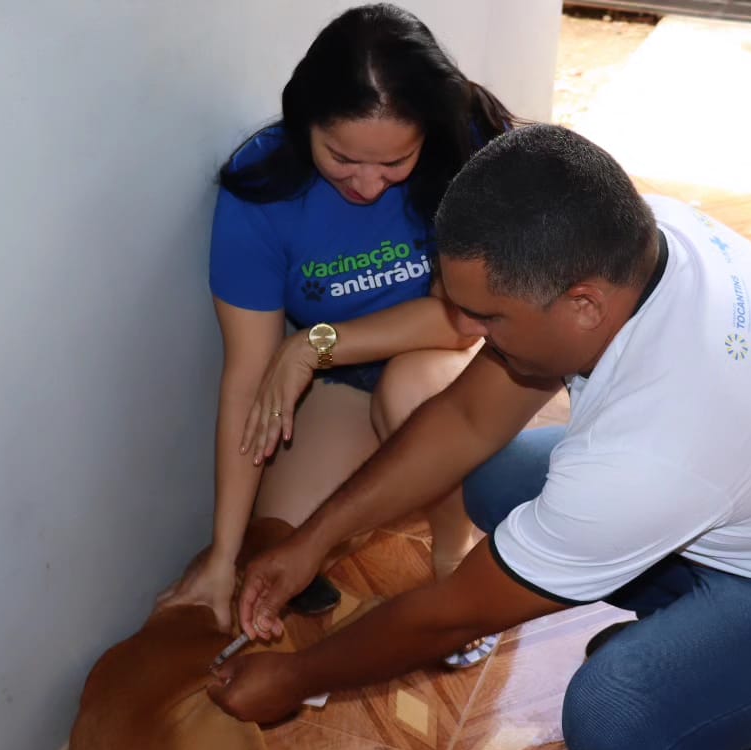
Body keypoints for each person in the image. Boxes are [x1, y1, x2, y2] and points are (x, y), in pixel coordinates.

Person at [207, 124, 751, 750]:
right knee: (499, 475)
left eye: (488, 317)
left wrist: (298, 678)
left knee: (618, 723)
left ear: (583, 306)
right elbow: (467, 419)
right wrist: (312, 540)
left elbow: (459, 610)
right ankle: (702, 651)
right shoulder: (631, 239)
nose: (465, 330)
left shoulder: (660, 443)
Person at [156, 4, 514, 667]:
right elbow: (246, 381)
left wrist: (313, 343)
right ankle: (376, 496)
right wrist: (221, 555)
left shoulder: (464, 152)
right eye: (342, 158)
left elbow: (464, 319)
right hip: (342, 383)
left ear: (426, 136)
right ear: (304, 124)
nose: (368, 184)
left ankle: (453, 559)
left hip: (448, 365)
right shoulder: (260, 190)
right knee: (275, 551)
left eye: (395, 162)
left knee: (412, 395)